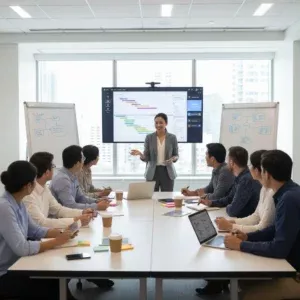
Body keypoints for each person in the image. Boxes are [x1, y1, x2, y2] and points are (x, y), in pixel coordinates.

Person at [224, 150, 300, 300]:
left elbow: (279, 249)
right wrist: (247, 236)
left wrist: (241, 245)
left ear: (267, 175)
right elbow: (276, 228)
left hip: (294, 272)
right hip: (289, 264)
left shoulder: (288, 199)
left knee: (250, 295)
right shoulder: (290, 191)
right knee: (244, 280)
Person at [0, 160, 76, 300]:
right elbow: (22, 248)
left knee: (57, 278)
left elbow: (35, 230)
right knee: (53, 282)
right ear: (28, 186)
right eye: (34, 181)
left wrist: (61, 234)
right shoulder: (4, 207)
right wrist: (56, 241)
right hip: (6, 273)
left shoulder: (18, 202)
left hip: (19, 265)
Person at [23, 152, 93, 229]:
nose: (54, 168)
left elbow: (58, 210)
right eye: (52, 166)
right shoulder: (28, 194)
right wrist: (75, 220)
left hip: (44, 232)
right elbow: (42, 223)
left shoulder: (44, 188)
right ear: (47, 172)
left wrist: (82, 212)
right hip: (36, 237)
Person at [216, 150, 275, 233]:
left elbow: (263, 228)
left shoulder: (272, 193)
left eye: (251, 164)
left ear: (257, 170)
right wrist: (234, 222)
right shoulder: (264, 189)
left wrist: (231, 226)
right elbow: (256, 216)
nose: (249, 167)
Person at [199, 146, 261, 218]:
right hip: (240, 219)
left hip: (246, 222)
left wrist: (228, 206)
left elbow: (232, 211)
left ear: (232, 163)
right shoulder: (240, 177)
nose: (226, 163)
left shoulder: (246, 180)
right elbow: (229, 198)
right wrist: (211, 203)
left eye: (228, 160)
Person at [50, 145, 109, 211]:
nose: (84, 161)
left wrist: (97, 201)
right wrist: (96, 206)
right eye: (83, 159)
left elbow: (81, 198)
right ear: (77, 163)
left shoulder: (73, 175)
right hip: (60, 218)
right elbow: (70, 206)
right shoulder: (62, 179)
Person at [130, 113, 179, 192]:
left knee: (167, 199)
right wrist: (141, 154)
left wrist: (173, 159)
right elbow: (147, 157)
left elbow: (176, 155)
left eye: (161, 122)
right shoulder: (149, 137)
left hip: (167, 172)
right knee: (151, 199)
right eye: (156, 123)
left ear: (166, 123)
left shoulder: (172, 137)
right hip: (152, 172)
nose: (158, 125)